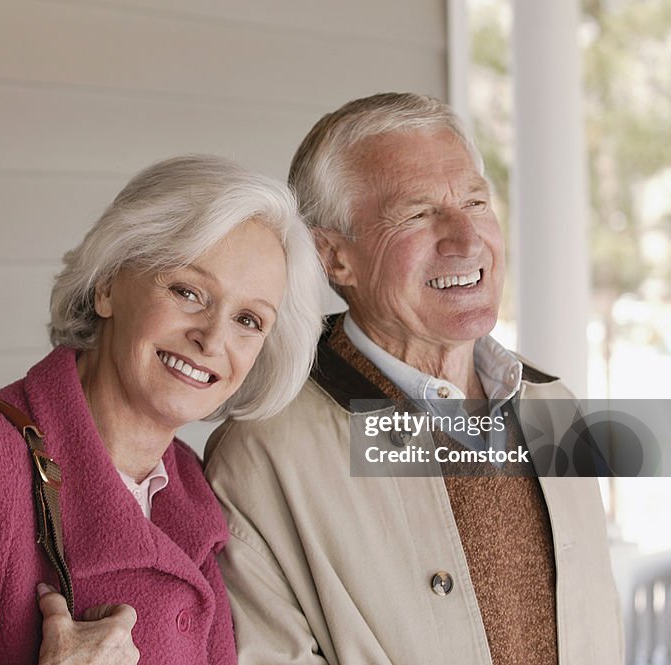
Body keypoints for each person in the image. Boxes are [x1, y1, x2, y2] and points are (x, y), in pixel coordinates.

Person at [0, 154, 326, 665]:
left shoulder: (188, 487)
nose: (212, 339)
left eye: (249, 321)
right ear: (107, 286)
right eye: (188, 291)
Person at [204, 93, 624, 664]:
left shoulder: (555, 407)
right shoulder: (264, 452)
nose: (466, 239)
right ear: (333, 257)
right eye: (418, 214)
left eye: (475, 202)